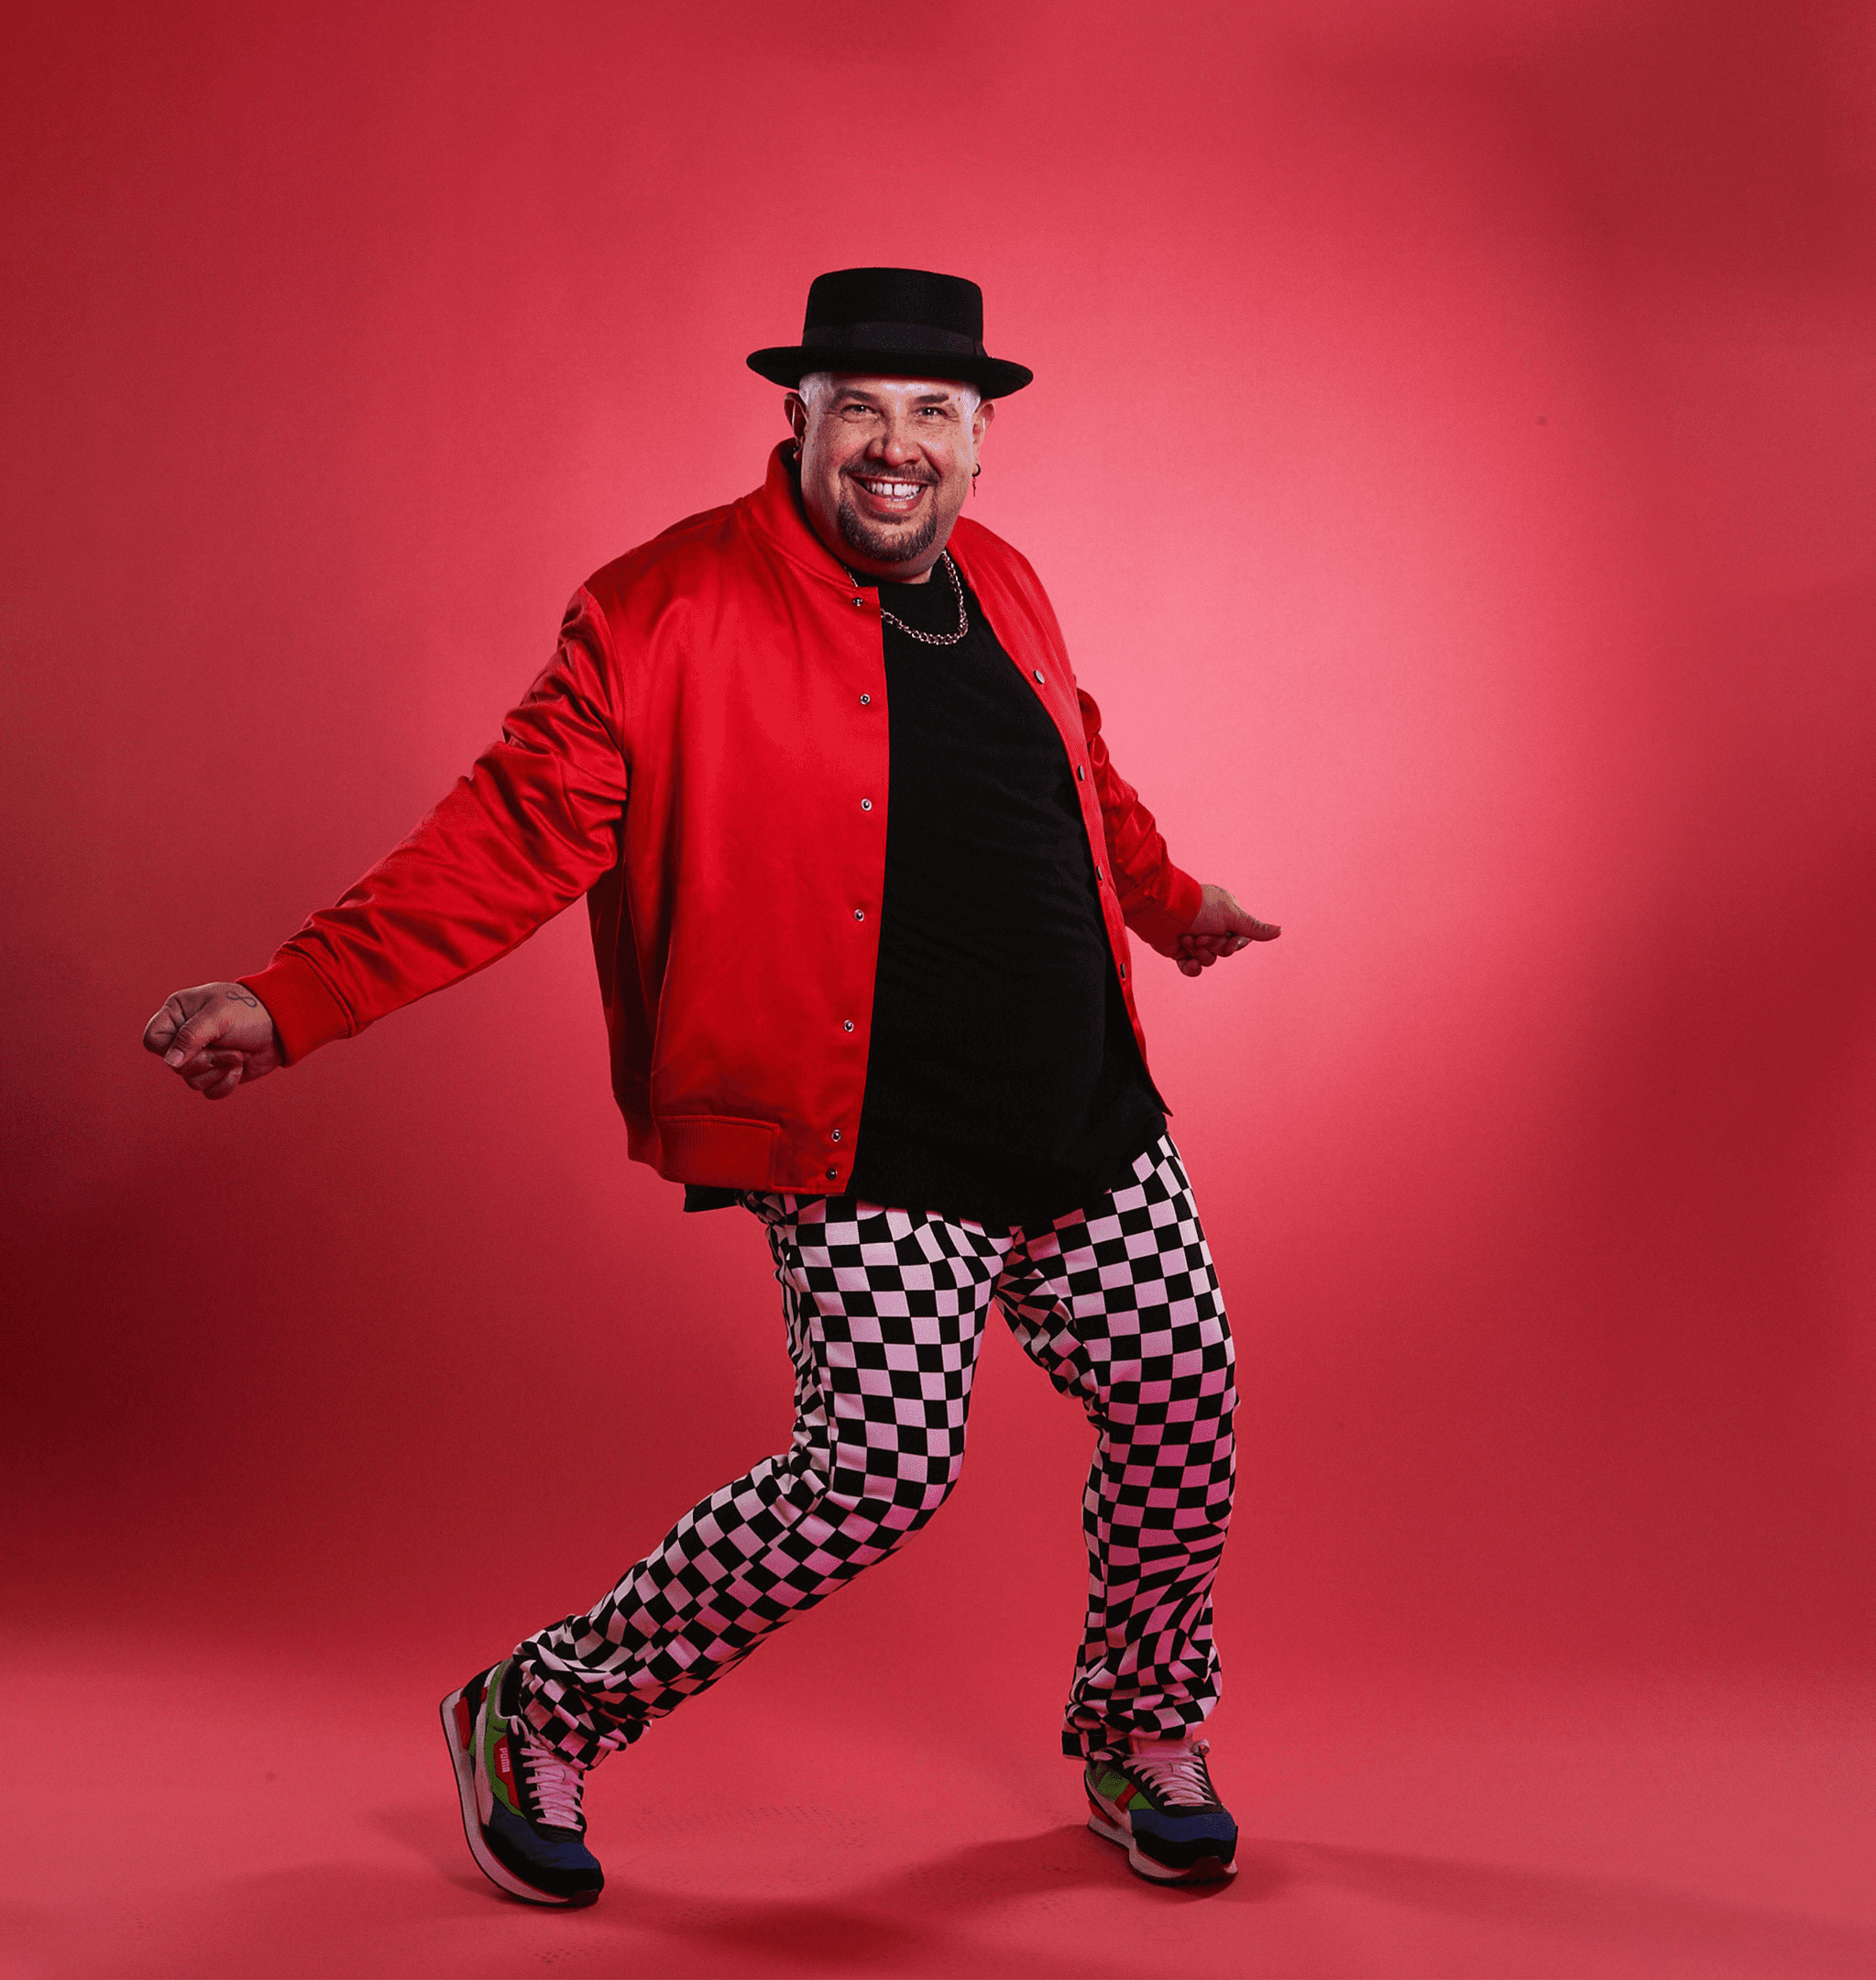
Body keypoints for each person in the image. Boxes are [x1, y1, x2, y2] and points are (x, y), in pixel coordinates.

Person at [139, 268, 1283, 1904]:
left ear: (981, 444)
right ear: (798, 421)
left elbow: (1080, 775)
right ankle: (538, 1707)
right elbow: (503, 840)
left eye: (936, 415)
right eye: (863, 411)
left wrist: (1172, 909)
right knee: (880, 1468)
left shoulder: (1007, 582)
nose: (900, 447)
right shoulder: (657, 612)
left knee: (1182, 1402)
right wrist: (294, 994)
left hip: (1085, 1121)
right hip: (866, 1145)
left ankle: (1138, 1723)